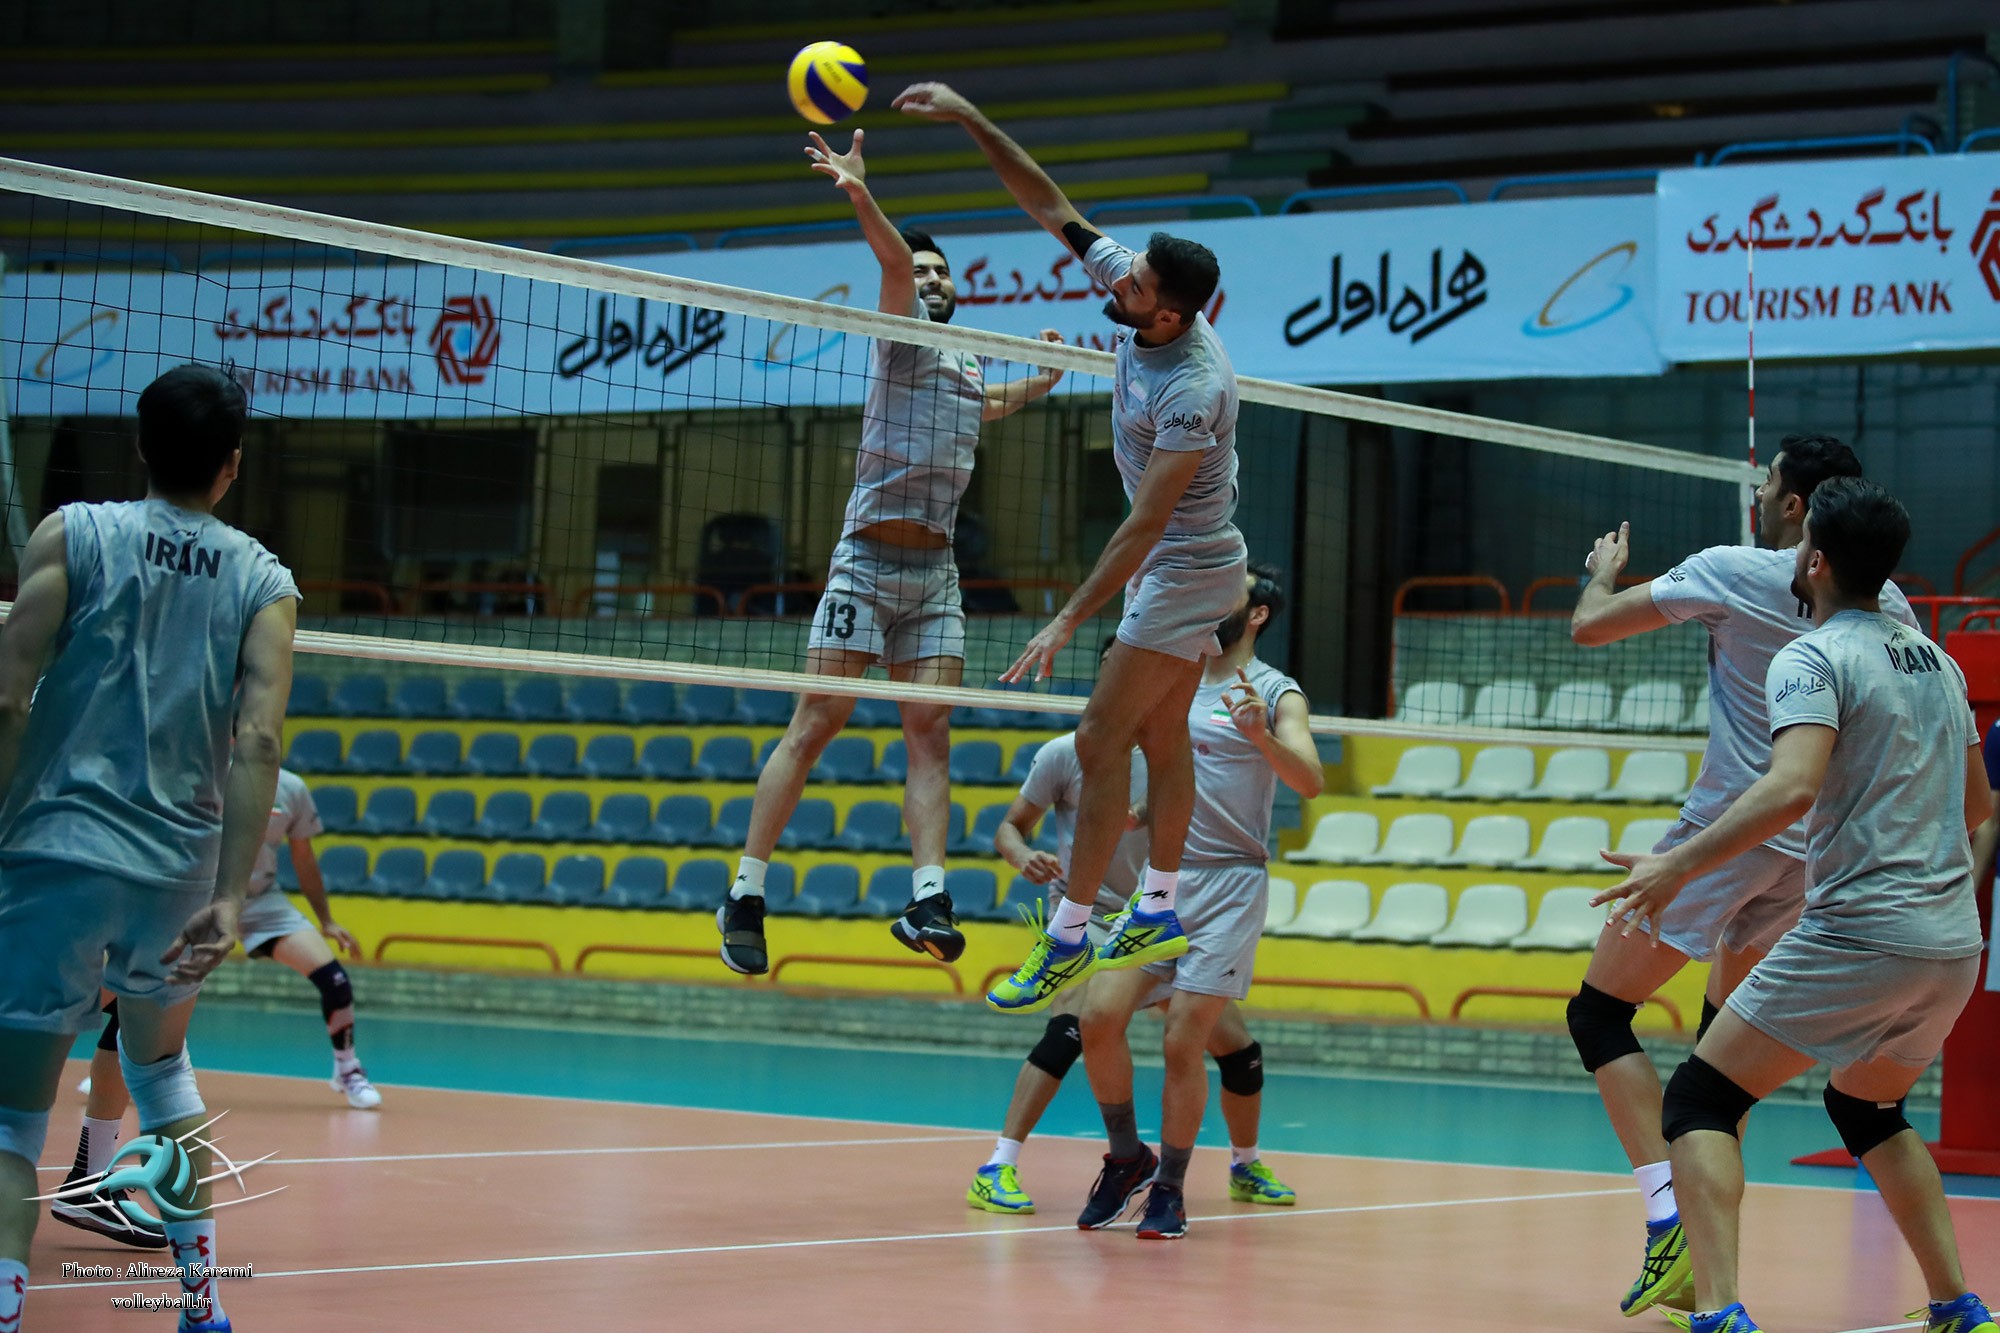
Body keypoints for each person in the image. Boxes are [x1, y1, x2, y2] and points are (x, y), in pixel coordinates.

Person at [1597, 478, 1996, 1333]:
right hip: (1953, 944)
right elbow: (1975, 806)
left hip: (1862, 931)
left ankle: (1719, 1312)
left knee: (1699, 1101)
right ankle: (1960, 1305)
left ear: (1814, 559)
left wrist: (1674, 866)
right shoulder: (1942, 663)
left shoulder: (1811, 658)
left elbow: (1790, 788)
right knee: (1867, 1108)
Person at [893, 80, 1245, 1015]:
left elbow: (1143, 528)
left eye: (1135, 290)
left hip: (1187, 561)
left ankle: (1069, 934)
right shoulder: (1140, 284)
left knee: (1097, 739)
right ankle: (1157, 908)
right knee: (1162, 736)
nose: (1116, 286)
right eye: (1126, 277)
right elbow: (1049, 202)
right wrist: (970, 117)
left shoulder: (1193, 389)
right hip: (1191, 562)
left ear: (1170, 316)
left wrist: (1064, 620)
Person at [1567, 434, 1915, 1315]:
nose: (1757, 493)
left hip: (1728, 832)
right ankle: (1709, 1270)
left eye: (1766, 482)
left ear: (1795, 506)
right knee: (1717, 1066)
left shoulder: (1731, 569)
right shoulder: (1892, 605)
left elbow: (1590, 627)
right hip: (1817, 854)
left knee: (1599, 1011)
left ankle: (1667, 1220)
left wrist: (1602, 574)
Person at [718, 127, 1064, 976]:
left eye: (941, 272)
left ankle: (928, 899)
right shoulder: (899, 335)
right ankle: (747, 890)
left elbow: (983, 406)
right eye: (922, 271)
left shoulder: (969, 359)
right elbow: (891, 262)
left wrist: (1041, 379)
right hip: (866, 567)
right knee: (817, 722)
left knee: (930, 731)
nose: (931, 279)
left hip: (936, 576)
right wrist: (859, 191)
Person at [0, 364, 299, 1333]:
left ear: (139, 444)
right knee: (163, 1073)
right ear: (231, 465)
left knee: (11, 1121)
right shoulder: (264, 581)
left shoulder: (72, 534)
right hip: (177, 870)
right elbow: (258, 741)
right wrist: (230, 894)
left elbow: (6, 697)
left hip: (54, 852)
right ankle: (201, 1306)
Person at [970, 637, 1295, 1217]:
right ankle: (999, 1164)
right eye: (1115, 671)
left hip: (1163, 915)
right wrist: (1023, 856)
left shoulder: (1179, 746)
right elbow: (1008, 828)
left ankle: (1245, 1164)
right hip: (1095, 918)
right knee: (1073, 1029)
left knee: (1238, 1051)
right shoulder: (1067, 753)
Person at [1071, 564, 1319, 1239]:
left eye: (1233, 592)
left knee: (1185, 1036)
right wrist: (1140, 810)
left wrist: (1261, 736)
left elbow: (1312, 779)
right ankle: (1128, 1156)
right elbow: (1178, 773)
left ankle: (1171, 1190)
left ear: (1256, 613)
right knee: (1098, 1016)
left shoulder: (1276, 691)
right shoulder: (1175, 678)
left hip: (1231, 884)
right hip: (1165, 879)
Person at [51, 765, 378, 1240]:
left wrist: (324, 919)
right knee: (85, 1011)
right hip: (173, 890)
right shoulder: (180, 767)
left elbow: (303, 856)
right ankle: (178, 1259)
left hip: (244, 900)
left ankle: (90, 1180)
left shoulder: (284, 786)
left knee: (118, 1011)